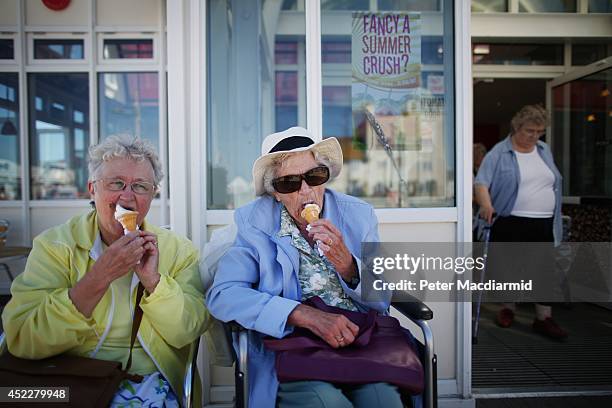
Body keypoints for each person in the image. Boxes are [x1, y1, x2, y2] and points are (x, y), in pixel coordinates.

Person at [2, 135, 210, 406]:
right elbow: (23, 338)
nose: (127, 195)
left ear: (152, 195)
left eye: (140, 186)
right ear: (92, 189)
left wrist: (154, 282)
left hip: (142, 379)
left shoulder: (177, 250)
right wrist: (100, 276)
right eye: (116, 183)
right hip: (63, 376)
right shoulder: (56, 246)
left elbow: (187, 332)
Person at [206, 127, 403, 408]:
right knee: (328, 404)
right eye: (289, 183)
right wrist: (302, 314)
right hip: (295, 348)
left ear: (325, 178)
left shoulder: (358, 215)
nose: (306, 190)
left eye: (314, 176)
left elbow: (383, 297)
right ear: (275, 193)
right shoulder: (254, 223)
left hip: (360, 342)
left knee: (385, 402)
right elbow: (223, 295)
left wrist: (348, 265)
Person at [474, 104, 567, 340]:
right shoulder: (499, 152)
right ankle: (508, 308)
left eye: (539, 132)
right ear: (517, 127)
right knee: (509, 269)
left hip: (544, 222)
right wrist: (486, 204)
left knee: (544, 270)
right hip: (511, 220)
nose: (534, 136)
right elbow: (481, 182)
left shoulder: (543, 150)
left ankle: (543, 318)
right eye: (529, 131)